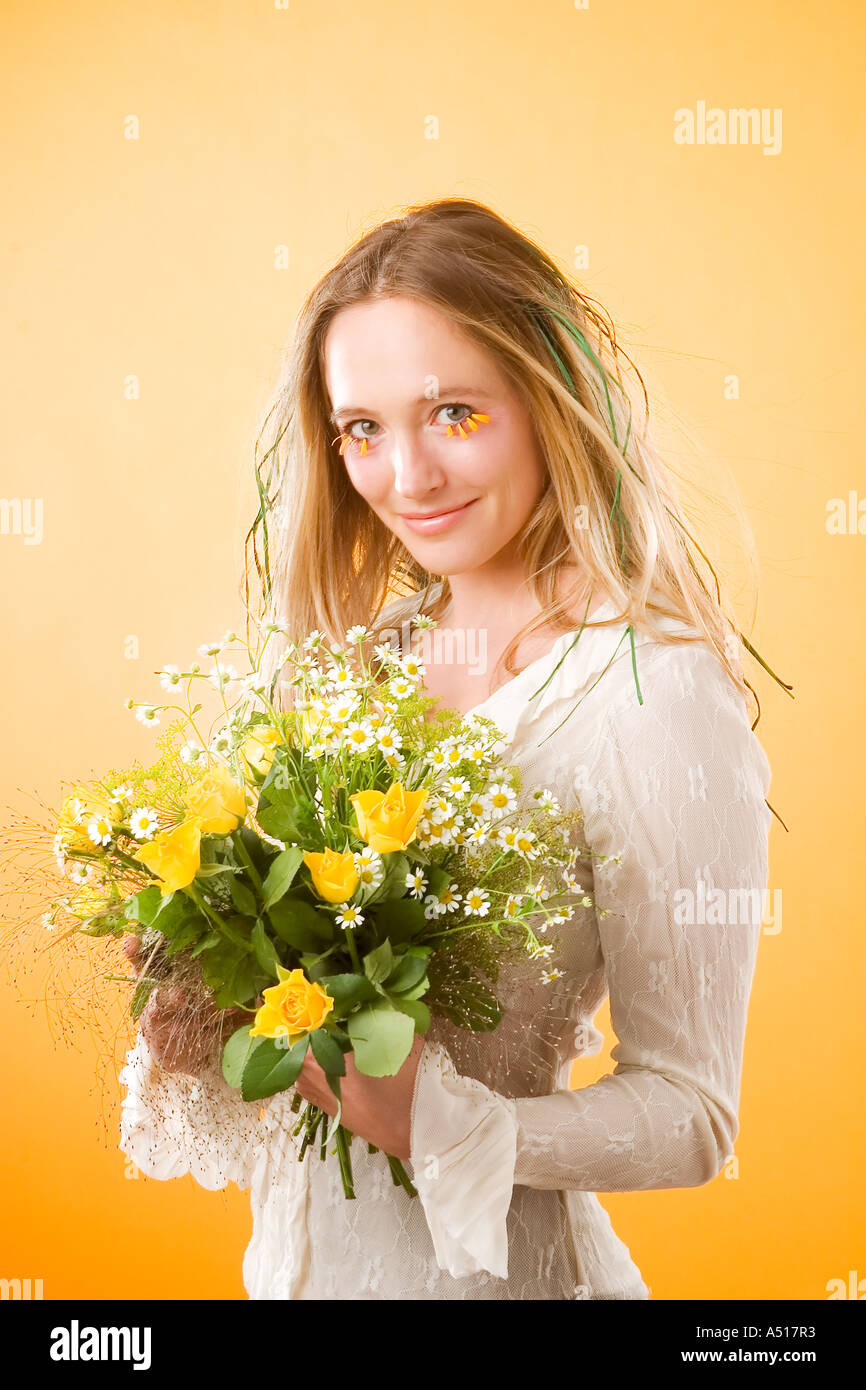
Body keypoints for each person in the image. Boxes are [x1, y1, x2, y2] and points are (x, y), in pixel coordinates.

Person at [118, 197, 776, 1299]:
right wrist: (212, 1011)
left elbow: (691, 1113)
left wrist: (455, 1124)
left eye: (454, 414)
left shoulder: (645, 692)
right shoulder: (353, 670)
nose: (406, 477)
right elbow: (307, 1064)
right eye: (362, 428)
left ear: (548, 400)